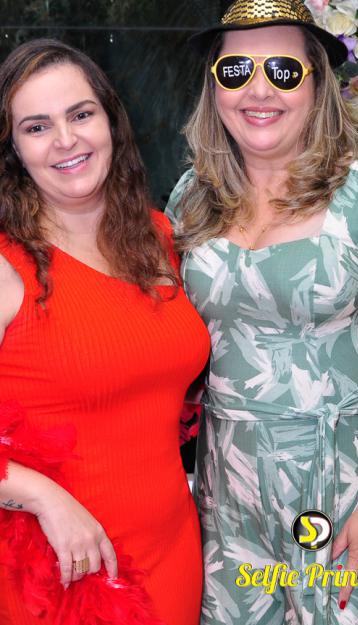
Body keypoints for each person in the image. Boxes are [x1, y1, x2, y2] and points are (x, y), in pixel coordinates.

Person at [166, 0, 358, 623]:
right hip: (228, 504)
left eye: (283, 71)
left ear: (318, 84)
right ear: (214, 88)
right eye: (236, 71)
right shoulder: (191, 199)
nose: (258, 90)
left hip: (346, 498)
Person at [0, 39, 210, 625]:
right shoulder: (5, 266)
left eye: (81, 114)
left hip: (172, 550)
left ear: (110, 121)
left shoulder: (160, 237)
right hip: (60, 570)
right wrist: (43, 497)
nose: (66, 140)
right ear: (14, 149)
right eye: (37, 127)